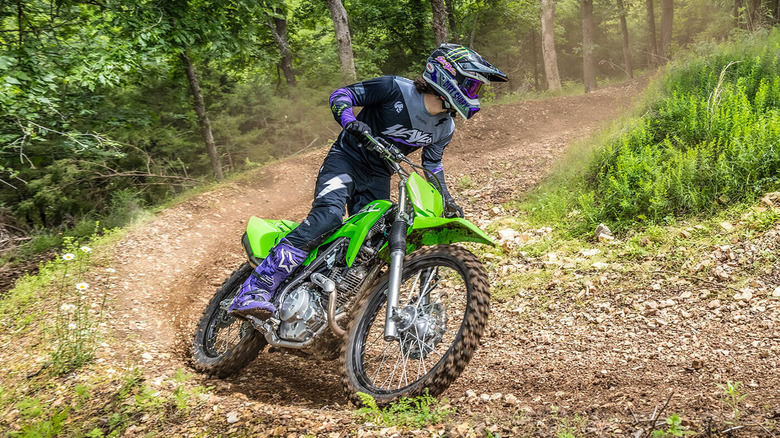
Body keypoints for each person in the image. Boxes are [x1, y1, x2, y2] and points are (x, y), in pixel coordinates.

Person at [228, 44, 508, 319]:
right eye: (472, 87)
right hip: (346, 160)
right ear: (448, 76)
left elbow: (432, 164)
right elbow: (342, 95)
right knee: (328, 218)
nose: (474, 95)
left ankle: (330, 306)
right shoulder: (393, 88)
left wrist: (447, 199)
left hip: (379, 174)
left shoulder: (444, 127)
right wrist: (350, 121)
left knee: (373, 244)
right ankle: (255, 288)